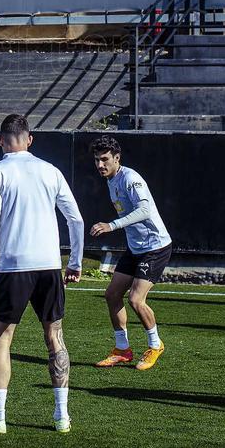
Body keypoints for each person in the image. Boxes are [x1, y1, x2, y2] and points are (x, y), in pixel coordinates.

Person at [0, 114, 85, 435]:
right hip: (49, 265)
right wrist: (75, 262)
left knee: (2, 338)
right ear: (30, 139)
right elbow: (76, 220)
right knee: (54, 336)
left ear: (0, 140)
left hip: (13, 266)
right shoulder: (51, 170)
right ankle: (62, 417)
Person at [88, 135, 173, 371]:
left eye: (105, 159)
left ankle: (155, 345)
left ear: (117, 158)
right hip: (136, 248)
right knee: (112, 294)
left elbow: (145, 210)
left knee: (136, 299)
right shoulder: (111, 179)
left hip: (155, 247)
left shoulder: (130, 178)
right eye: (97, 160)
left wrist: (112, 225)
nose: (100, 165)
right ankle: (122, 350)